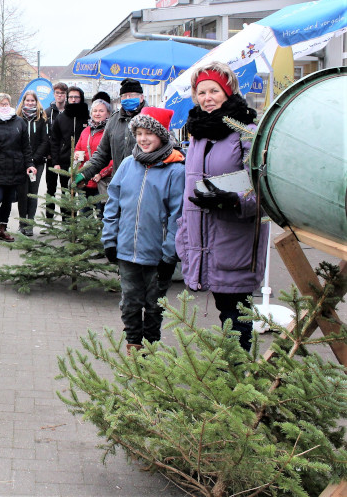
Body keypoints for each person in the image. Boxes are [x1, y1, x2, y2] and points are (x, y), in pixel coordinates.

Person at [175, 63, 265, 352]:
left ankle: (239, 381)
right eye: (201, 92)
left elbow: (265, 188)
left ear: (228, 93)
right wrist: (182, 231)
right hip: (203, 239)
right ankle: (231, 378)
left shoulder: (247, 132)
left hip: (235, 240)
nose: (207, 97)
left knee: (237, 316)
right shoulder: (198, 135)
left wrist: (234, 200)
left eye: (214, 90)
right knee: (225, 312)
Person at [102, 107, 185, 354]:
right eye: (138, 133)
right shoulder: (128, 164)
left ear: (162, 135)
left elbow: (177, 217)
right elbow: (112, 204)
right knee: (129, 302)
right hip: (126, 250)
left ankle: (150, 347)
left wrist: (169, 255)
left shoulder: (175, 170)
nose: (143, 139)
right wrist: (109, 239)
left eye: (149, 133)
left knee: (153, 306)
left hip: (157, 255)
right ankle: (133, 345)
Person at [75, 78, 146, 186]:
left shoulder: (152, 117)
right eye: (124, 96)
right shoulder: (114, 120)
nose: (127, 98)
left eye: (131, 95)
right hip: (119, 183)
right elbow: (102, 154)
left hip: (144, 183)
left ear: (141, 97)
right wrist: (84, 173)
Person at [0, 93, 36, 243]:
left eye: (6, 104)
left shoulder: (19, 122)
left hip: (15, 167)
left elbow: (25, 147)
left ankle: (3, 229)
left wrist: (30, 164)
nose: (4, 107)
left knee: (8, 200)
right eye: (1, 104)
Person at [48, 86, 89, 219]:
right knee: (67, 193)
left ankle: (82, 224)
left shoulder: (87, 117)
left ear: (81, 98)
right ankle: (67, 224)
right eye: (70, 97)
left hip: (85, 162)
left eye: (76, 97)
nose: (73, 100)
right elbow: (54, 141)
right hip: (65, 161)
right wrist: (56, 162)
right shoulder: (61, 118)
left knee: (83, 193)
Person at [15, 90, 49, 236]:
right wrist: (24, 160)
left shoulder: (42, 120)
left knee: (33, 193)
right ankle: (22, 223)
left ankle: (30, 224)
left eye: (32, 101)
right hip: (21, 163)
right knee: (22, 194)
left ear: (36, 102)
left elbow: (45, 141)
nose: (30, 103)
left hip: (37, 163)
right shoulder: (17, 119)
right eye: (27, 100)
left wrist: (34, 159)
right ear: (23, 102)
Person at [75, 96, 113, 207]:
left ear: (108, 113)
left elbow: (113, 157)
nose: (97, 113)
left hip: (102, 182)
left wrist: (101, 173)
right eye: (95, 111)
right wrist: (76, 155)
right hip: (84, 180)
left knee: (102, 215)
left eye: (101, 111)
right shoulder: (86, 131)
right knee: (84, 214)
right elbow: (78, 148)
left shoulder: (110, 131)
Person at [44, 82, 67, 219]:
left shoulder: (70, 113)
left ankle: (66, 220)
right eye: (57, 93)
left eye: (62, 93)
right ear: (54, 94)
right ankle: (49, 220)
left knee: (66, 190)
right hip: (51, 157)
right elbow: (45, 136)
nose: (60, 96)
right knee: (50, 190)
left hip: (65, 158)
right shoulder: (48, 112)